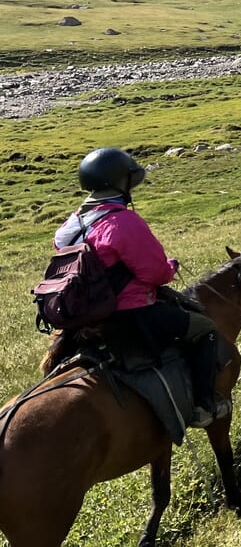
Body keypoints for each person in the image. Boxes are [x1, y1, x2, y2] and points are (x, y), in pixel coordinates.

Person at [55, 148, 227, 427]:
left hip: (85, 316)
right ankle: (203, 407)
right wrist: (171, 266)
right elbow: (156, 273)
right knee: (205, 330)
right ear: (119, 182)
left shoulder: (69, 227)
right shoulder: (122, 221)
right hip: (130, 314)